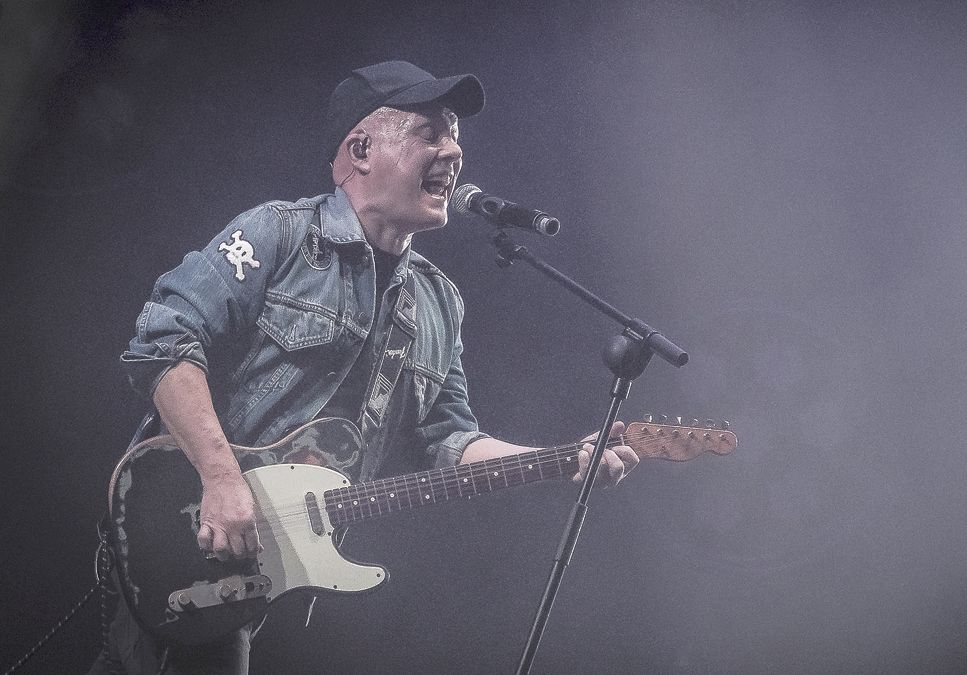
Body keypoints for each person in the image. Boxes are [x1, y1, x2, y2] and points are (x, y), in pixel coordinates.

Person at [92, 60, 639, 675]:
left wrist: (566, 459)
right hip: (187, 522)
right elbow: (164, 340)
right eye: (431, 133)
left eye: (456, 135)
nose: (454, 150)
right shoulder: (279, 234)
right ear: (361, 148)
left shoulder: (439, 303)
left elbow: (449, 440)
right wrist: (221, 480)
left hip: (285, 563)